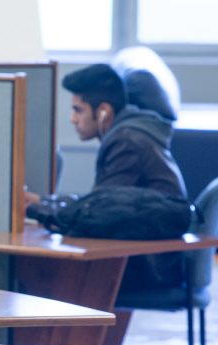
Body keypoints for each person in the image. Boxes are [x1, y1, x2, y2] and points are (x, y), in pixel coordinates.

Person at [26, 63, 188, 290]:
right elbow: (101, 203)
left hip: (148, 267)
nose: (72, 119)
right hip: (150, 256)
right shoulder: (130, 133)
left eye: (78, 110)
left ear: (103, 111)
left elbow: (99, 215)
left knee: (39, 273)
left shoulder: (126, 141)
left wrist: (37, 210)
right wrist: (45, 203)